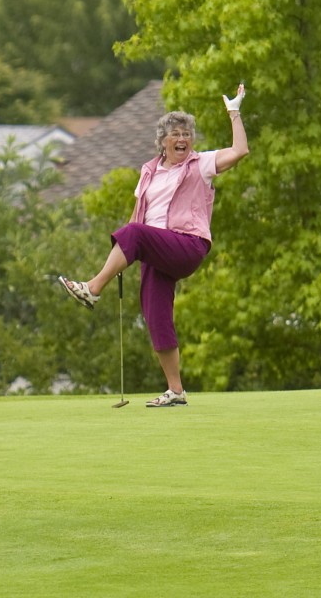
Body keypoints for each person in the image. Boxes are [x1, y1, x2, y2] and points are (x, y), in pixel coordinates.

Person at [58, 84, 248, 407]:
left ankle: (93, 288)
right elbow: (138, 216)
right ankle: (176, 390)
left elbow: (239, 151)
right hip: (153, 250)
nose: (182, 139)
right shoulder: (147, 172)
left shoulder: (200, 164)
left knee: (134, 233)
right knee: (155, 315)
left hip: (188, 245)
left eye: (186, 133)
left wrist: (234, 112)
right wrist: (125, 254)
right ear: (162, 142)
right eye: (175, 133)